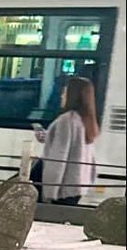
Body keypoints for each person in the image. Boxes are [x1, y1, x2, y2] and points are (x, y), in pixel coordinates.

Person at [39, 76, 99, 205]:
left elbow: (59, 159)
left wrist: (49, 192)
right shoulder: (86, 120)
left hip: (62, 188)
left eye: (65, 91)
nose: (62, 95)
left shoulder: (66, 120)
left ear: (73, 95)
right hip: (78, 186)